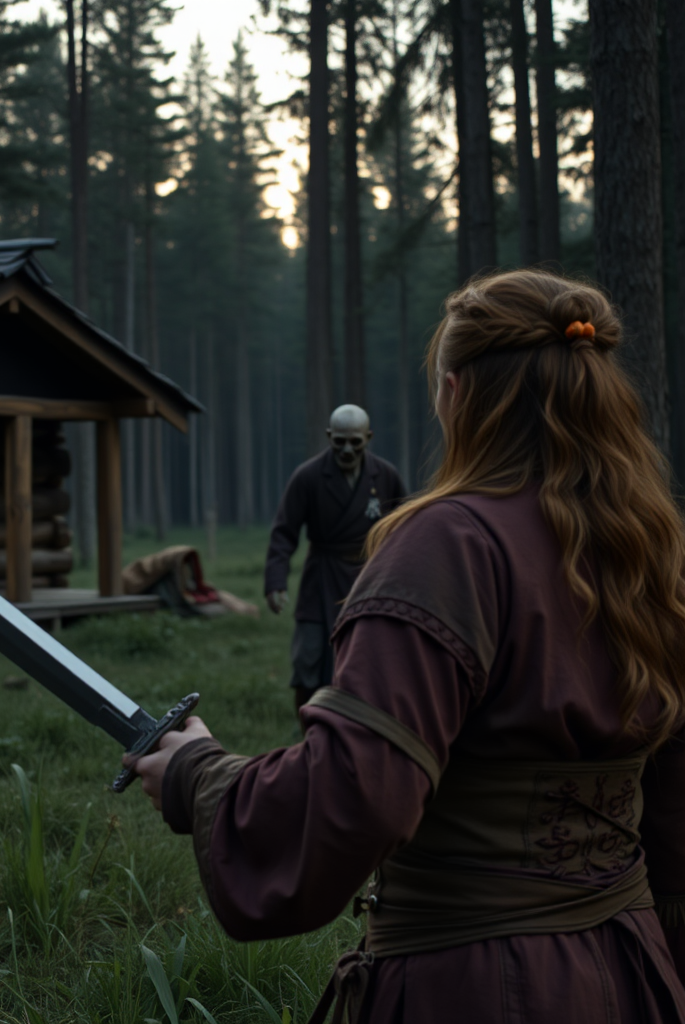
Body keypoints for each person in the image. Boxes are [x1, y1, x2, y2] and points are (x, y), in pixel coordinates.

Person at [130, 270, 685, 1023]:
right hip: (637, 971)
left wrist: (199, 774)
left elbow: (354, 796)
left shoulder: (451, 544)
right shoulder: (650, 545)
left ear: (457, 394)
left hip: (482, 986)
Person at [265, 404, 406, 714]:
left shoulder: (385, 476)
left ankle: (359, 728)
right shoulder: (308, 476)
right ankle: (307, 729)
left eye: (354, 442)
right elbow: (284, 531)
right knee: (309, 661)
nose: (346, 449)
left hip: (368, 579)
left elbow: (403, 530)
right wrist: (276, 581)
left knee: (367, 659)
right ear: (328, 436)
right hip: (321, 577)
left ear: (368, 438)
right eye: (339, 441)